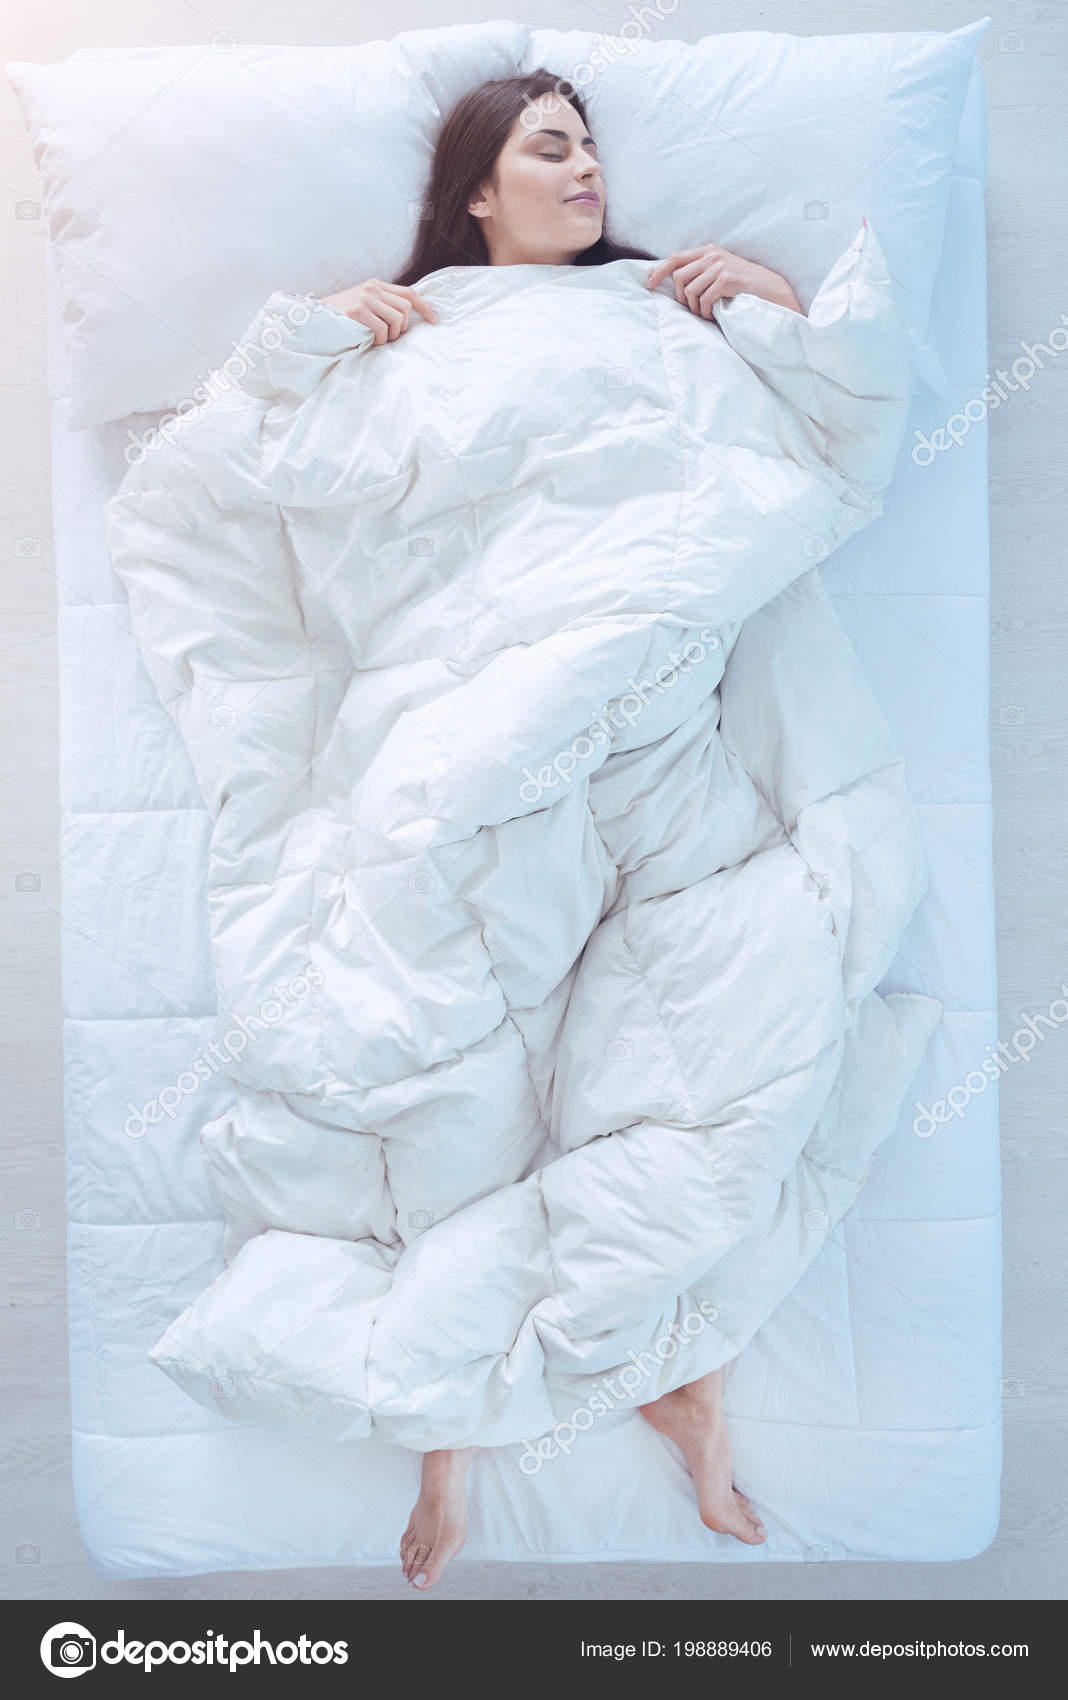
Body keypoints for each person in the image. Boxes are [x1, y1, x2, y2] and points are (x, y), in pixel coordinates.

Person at [316, 68, 801, 1592]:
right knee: (465, 1053)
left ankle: (688, 1372)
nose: (586, 169)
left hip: (656, 714)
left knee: (722, 1051)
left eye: (593, 146)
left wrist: (776, 305)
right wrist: (333, 332)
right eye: (551, 147)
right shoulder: (426, 320)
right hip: (484, 726)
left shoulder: (664, 299)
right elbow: (299, 478)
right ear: (477, 188)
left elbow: (803, 435)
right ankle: (447, 1432)